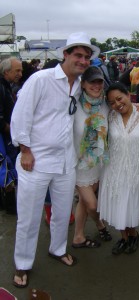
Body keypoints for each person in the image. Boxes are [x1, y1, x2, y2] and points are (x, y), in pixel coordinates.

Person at [11, 32, 100, 288]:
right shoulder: (41, 79)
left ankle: (58, 249)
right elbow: (21, 116)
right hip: (36, 161)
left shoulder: (80, 84)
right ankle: (23, 263)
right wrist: (25, 150)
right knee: (28, 217)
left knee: (63, 211)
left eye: (86, 57)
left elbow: (98, 101)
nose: (82, 60)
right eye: (78, 55)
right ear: (66, 54)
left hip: (65, 161)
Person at [98, 82, 139, 255]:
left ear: (128, 94)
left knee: (129, 205)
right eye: (112, 102)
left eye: (119, 98)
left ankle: (133, 235)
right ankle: (124, 237)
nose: (117, 104)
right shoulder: (110, 116)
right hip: (114, 170)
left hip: (134, 170)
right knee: (117, 205)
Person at [72, 66, 112, 249]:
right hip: (78, 163)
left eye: (99, 81)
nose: (96, 86)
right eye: (92, 82)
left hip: (98, 161)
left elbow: (123, 106)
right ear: (83, 84)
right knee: (92, 204)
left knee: (83, 201)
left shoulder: (106, 104)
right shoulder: (73, 104)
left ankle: (78, 237)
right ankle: (100, 224)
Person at [0, 57, 22, 214]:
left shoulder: (6, 86)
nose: (20, 74)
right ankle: (10, 207)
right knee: (6, 168)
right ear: (6, 72)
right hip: (3, 137)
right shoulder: (1, 87)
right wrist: (14, 131)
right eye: (17, 71)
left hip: (6, 136)